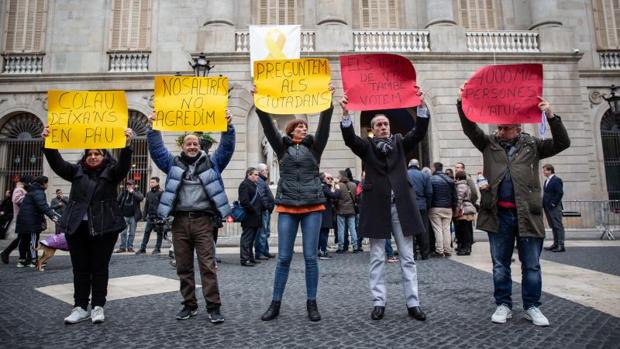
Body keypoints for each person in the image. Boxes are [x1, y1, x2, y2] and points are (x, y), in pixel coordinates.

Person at [457, 85, 570, 327]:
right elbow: (470, 129)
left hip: (527, 214)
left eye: (505, 128)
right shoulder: (488, 144)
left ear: (518, 129)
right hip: (499, 215)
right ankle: (503, 304)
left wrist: (550, 115)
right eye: (498, 127)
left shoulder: (533, 146)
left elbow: (562, 142)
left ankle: (532, 306)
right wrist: (462, 102)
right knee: (500, 265)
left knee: (531, 265)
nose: (499, 131)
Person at [339, 87, 429, 321]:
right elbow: (350, 139)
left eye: (386, 124)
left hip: (402, 207)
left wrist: (421, 106)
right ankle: (379, 302)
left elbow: (419, 132)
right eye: (378, 124)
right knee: (377, 256)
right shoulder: (366, 147)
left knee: (407, 257)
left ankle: (413, 303)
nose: (383, 127)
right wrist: (346, 114)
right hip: (377, 205)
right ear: (372, 129)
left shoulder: (400, 142)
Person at [254, 84, 334, 323]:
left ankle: (312, 303)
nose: (303, 128)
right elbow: (268, 127)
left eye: (305, 126)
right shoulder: (281, 148)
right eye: (299, 126)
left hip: (313, 206)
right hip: (288, 205)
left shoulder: (315, 148)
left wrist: (327, 102)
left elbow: (325, 127)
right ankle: (275, 303)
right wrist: (259, 103)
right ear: (290, 131)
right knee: (284, 258)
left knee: (311, 257)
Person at [147, 110, 234, 324]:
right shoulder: (172, 164)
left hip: (204, 221)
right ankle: (189, 305)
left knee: (207, 265)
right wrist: (152, 128)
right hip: (180, 222)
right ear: (183, 147)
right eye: (189, 144)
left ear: (200, 146)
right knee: (183, 266)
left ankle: (214, 307)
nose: (192, 146)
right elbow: (157, 150)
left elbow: (227, 148)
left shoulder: (213, 164)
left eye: (195, 143)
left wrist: (228, 127)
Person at [42, 126, 134, 324]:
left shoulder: (112, 173)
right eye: (89, 153)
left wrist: (127, 145)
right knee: (80, 269)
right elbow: (57, 163)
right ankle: (80, 307)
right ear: (85, 157)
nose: (93, 156)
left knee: (99, 268)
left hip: (104, 229)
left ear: (104, 156)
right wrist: (48, 142)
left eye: (97, 153)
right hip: (77, 229)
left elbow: (124, 165)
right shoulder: (76, 172)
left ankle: (98, 307)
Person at [15, 176, 58, 267]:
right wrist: (52, 216)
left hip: (23, 219)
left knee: (24, 240)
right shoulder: (39, 192)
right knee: (33, 240)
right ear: (43, 183)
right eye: (47, 183)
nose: (47, 185)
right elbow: (43, 205)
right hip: (31, 220)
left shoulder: (31, 190)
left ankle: (22, 260)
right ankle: (33, 260)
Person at [429, 162, 457, 257]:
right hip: (448, 208)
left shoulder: (431, 179)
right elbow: (455, 196)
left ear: (434, 168)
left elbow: (429, 194)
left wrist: (429, 205)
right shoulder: (450, 180)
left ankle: (440, 250)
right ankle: (448, 250)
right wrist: (454, 207)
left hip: (435, 207)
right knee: (446, 229)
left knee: (438, 229)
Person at [0, 176, 30, 265]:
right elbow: (17, 200)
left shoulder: (21, 190)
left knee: (24, 238)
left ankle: (26, 258)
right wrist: (28, 196)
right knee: (22, 238)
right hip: (22, 217)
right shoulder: (19, 190)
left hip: (24, 217)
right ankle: (6, 252)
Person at [407, 159, 432, 260]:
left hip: (408, 206)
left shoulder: (404, 174)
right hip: (422, 205)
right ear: (418, 165)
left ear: (409, 165)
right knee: (423, 230)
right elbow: (429, 192)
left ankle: (412, 254)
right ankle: (424, 253)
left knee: (410, 231)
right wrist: (428, 205)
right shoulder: (424, 175)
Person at [238, 167, 263, 266]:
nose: (258, 177)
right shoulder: (244, 184)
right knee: (246, 239)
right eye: (256, 175)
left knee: (251, 239)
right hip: (249, 217)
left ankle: (250, 257)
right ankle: (244, 259)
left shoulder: (253, 185)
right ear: (249, 175)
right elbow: (244, 201)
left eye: (258, 175)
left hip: (255, 217)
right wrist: (254, 211)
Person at [136, 177, 164, 254]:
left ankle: (157, 248)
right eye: (150, 182)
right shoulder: (148, 193)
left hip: (158, 217)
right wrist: (144, 216)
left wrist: (162, 216)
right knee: (146, 232)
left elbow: (163, 205)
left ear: (157, 183)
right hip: (150, 217)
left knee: (159, 234)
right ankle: (142, 248)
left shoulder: (161, 193)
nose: (151, 184)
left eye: (153, 182)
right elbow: (146, 206)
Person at [542, 164, 566, 252]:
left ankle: (561, 244)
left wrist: (553, 203)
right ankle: (555, 244)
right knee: (553, 225)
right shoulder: (546, 181)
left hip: (554, 207)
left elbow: (559, 193)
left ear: (550, 170)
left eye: (545, 170)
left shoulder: (556, 180)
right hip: (547, 206)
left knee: (558, 225)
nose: (544, 172)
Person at [254, 163, 275, 260]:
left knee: (265, 232)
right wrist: (267, 206)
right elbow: (261, 196)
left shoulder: (262, 181)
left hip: (266, 210)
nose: (267, 172)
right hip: (263, 211)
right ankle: (260, 253)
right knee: (262, 232)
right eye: (266, 170)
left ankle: (265, 251)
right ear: (260, 171)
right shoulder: (260, 181)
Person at [115, 180, 143, 253]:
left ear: (133, 185)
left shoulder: (137, 192)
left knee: (132, 233)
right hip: (124, 215)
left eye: (130, 185)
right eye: (127, 184)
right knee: (123, 233)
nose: (128, 186)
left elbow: (140, 198)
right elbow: (117, 201)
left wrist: (132, 192)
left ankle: (130, 247)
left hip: (133, 216)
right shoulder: (124, 193)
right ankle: (122, 247)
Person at [335, 169, 359, 253]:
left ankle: (341, 247)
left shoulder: (338, 185)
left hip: (341, 210)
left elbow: (335, 197)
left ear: (341, 176)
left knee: (341, 229)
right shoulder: (353, 185)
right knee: (353, 229)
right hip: (351, 210)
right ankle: (355, 247)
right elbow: (356, 198)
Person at [454, 171, 477, 255]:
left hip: (464, 210)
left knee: (464, 231)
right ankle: (467, 248)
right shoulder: (467, 185)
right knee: (467, 230)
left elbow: (459, 200)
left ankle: (466, 248)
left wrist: (456, 212)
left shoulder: (460, 186)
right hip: (468, 208)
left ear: (458, 178)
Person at [318, 172, 339, 260]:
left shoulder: (322, 186)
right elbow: (334, 195)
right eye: (328, 178)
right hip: (325, 213)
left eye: (331, 178)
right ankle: (323, 251)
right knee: (324, 232)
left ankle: (320, 250)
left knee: (322, 232)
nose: (331, 180)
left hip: (323, 212)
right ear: (323, 179)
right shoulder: (324, 187)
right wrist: (337, 188)